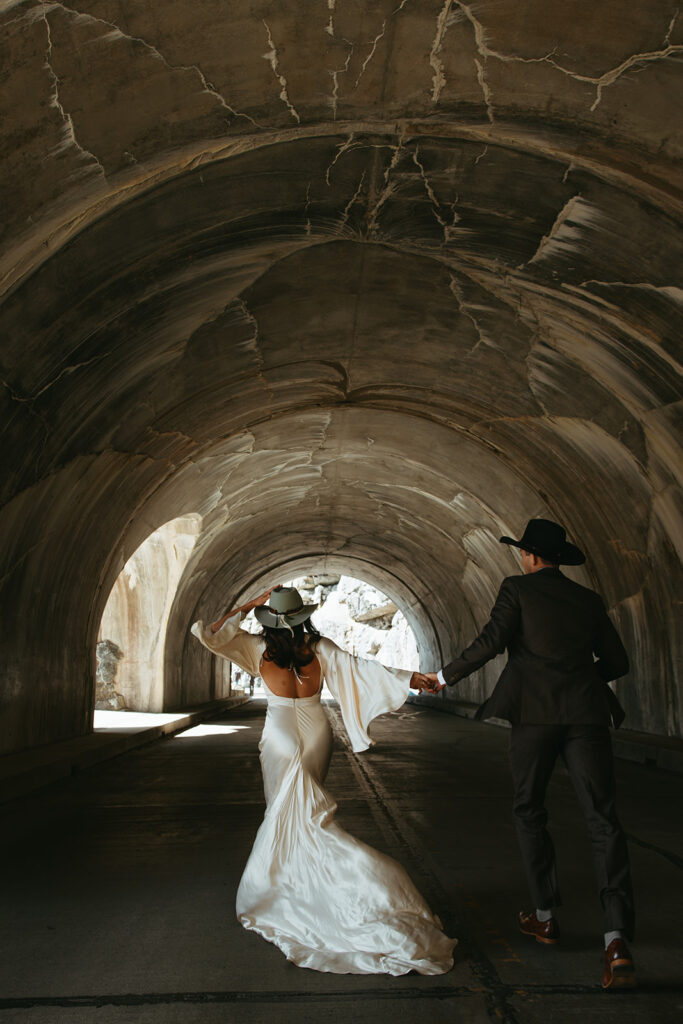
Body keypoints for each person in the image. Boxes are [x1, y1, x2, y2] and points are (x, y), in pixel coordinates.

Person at [191, 584, 456, 975]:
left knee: (284, 814)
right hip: (317, 732)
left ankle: (293, 891)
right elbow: (364, 669)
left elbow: (212, 634)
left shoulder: (257, 650)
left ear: (270, 619)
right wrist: (413, 679)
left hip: (280, 737)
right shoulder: (319, 649)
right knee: (309, 816)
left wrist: (251, 603)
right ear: (301, 617)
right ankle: (327, 887)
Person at [423, 518, 635, 990]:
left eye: (522, 552)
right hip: (586, 716)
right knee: (604, 821)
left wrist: (443, 677)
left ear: (531, 556)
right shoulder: (589, 600)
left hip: (534, 718)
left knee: (529, 810)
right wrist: (577, 679)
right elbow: (618, 662)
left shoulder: (516, 589)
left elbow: (491, 642)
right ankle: (617, 941)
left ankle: (544, 916)